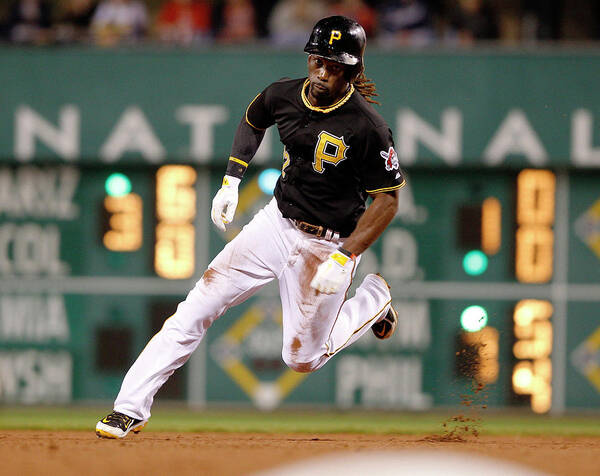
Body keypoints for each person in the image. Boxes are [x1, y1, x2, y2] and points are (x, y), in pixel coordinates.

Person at [96, 15, 405, 439]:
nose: (321, 71)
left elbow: (388, 200)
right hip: (275, 225)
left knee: (302, 358)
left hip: (326, 246)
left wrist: (347, 253)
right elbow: (254, 118)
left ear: (352, 70)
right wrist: (231, 180)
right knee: (196, 307)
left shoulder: (368, 127)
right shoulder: (285, 94)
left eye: (334, 65)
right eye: (317, 59)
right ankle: (127, 408)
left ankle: (373, 297)